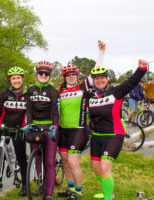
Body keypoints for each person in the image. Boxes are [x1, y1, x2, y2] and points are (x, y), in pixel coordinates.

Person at [88, 59, 147, 200]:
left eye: (102, 77)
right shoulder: (90, 95)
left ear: (107, 79)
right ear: (93, 81)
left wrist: (142, 68)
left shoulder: (116, 92)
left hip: (114, 135)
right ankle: (108, 191)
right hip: (96, 136)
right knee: (96, 168)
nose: (99, 80)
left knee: (104, 167)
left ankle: (108, 197)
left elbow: (131, 82)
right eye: (96, 78)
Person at [57, 40, 105, 200]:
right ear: (64, 77)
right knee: (64, 160)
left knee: (72, 162)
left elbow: (96, 73)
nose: (71, 77)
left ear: (77, 76)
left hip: (78, 130)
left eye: (73, 75)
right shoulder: (61, 91)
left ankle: (78, 191)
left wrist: (101, 52)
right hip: (62, 130)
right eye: (68, 75)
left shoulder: (83, 87)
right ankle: (70, 190)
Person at [0, 66, 28, 196]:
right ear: (10, 80)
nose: (16, 80)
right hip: (3, 128)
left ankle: (25, 185)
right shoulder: (4, 93)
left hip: (18, 129)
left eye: (18, 78)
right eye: (13, 78)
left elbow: (30, 112)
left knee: (21, 157)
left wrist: (26, 126)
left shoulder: (28, 94)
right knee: (0, 155)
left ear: (22, 79)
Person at [24, 61, 59, 200]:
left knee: (49, 162)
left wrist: (55, 126)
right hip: (35, 128)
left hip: (49, 128)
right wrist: (29, 124)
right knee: (38, 158)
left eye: (46, 73)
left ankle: (49, 193)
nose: (43, 75)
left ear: (49, 75)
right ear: (36, 74)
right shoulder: (30, 90)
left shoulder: (53, 91)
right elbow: (29, 109)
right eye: (41, 73)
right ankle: (43, 185)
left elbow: (56, 112)